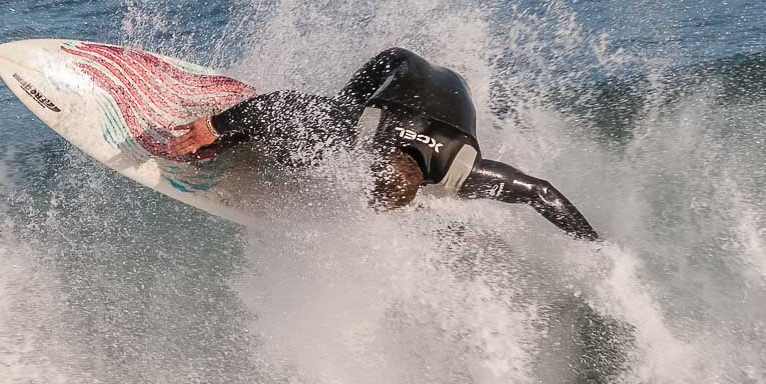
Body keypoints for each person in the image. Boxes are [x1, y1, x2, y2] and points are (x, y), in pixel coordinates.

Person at [170, 47, 600, 241]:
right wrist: (216, 127)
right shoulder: (362, 128)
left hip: (456, 88)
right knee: (302, 133)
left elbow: (541, 192)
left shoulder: (462, 173)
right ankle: (223, 144)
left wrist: (591, 244)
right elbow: (275, 104)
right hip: (399, 63)